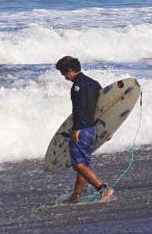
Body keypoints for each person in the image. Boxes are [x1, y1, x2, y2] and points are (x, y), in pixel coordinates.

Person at [54, 56, 115, 202]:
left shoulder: (77, 87)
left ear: (70, 70)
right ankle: (76, 195)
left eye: (64, 74)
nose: (65, 78)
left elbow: (79, 109)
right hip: (93, 129)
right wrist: (107, 128)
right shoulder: (94, 83)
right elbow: (102, 109)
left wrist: (76, 129)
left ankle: (103, 188)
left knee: (77, 164)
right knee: (84, 163)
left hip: (82, 129)